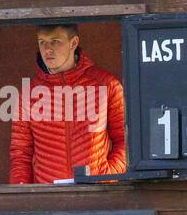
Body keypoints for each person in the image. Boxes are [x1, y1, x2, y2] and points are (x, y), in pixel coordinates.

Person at [9, 22, 127, 184]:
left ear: (74, 43)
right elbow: (21, 153)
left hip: (99, 196)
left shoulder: (106, 85)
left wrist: (107, 177)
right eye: (42, 42)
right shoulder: (28, 95)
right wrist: (25, 197)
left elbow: (126, 140)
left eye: (55, 41)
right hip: (49, 200)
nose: (47, 49)